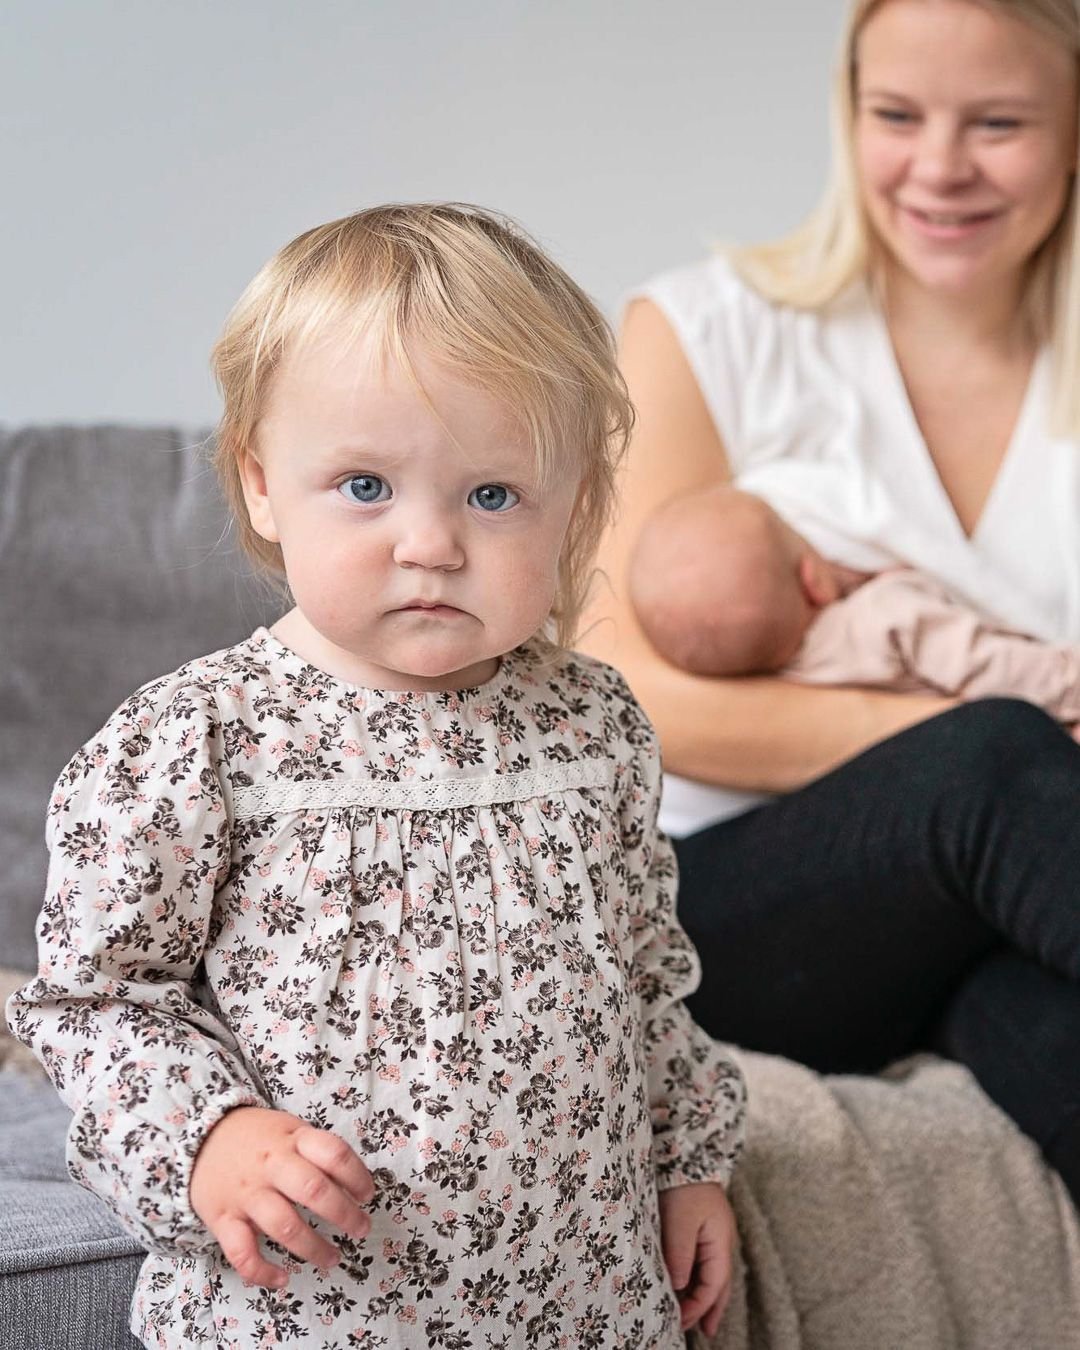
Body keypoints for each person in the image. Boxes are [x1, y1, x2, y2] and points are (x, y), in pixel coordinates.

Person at [6, 204, 746, 1349]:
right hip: (309, 1312)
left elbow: (646, 974)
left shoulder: (592, 724)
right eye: (365, 486)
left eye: (492, 495)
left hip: (585, 1304)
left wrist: (686, 1162)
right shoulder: (197, 740)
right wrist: (207, 1137)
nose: (431, 543)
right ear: (261, 484)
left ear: (571, 505)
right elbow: (97, 1002)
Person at [578, 0, 1080, 1204]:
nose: (939, 167)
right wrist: (958, 746)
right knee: (992, 759)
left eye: (999, 122)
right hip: (714, 912)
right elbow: (625, 694)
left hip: (983, 909)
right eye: (896, 115)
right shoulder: (704, 332)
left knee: (1032, 1017)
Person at [631, 484, 1080, 729]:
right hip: (1042, 715)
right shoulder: (884, 617)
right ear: (814, 580)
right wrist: (1067, 679)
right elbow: (985, 663)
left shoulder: (797, 683)